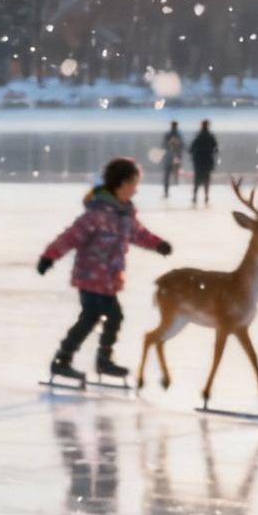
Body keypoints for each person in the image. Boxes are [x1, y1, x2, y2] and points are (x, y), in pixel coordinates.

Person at [38, 156, 171, 386]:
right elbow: (71, 236)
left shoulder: (126, 214)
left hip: (110, 280)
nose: (135, 190)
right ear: (121, 184)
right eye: (134, 184)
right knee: (89, 317)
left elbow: (139, 234)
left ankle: (103, 360)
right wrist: (49, 256)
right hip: (89, 277)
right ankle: (62, 359)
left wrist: (158, 244)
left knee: (115, 317)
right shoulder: (97, 213)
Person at [190, 120, 219, 206]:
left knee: (197, 180)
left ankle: (195, 196)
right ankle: (205, 196)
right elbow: (215, 149)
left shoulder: (198, 136)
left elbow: (191, 149)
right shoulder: (210, 136)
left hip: (199, 162)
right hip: (207, 162)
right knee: (206, 180)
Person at [162, 119, 184, 198]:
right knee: (169, 174)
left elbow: (164, 145)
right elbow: (182, 146)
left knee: (169, 174)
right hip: (172, 157)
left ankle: (167, 190)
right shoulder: (177, 135)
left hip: (171, 157)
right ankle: (167, 190)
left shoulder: (171, 135)